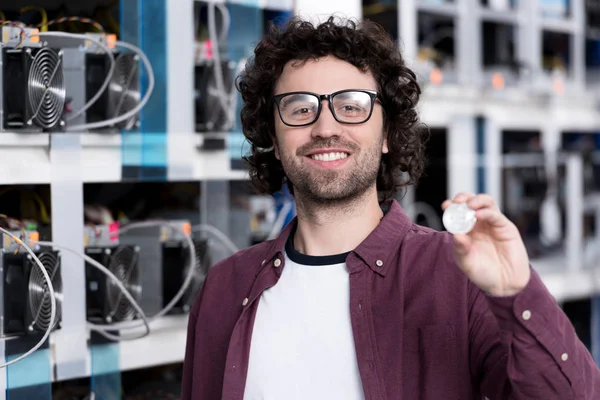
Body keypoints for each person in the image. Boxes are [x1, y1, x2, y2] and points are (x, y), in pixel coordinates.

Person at [181, 16, 600, 400]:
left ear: (387, 133)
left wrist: (516, 295)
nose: (325, 127)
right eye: (300, 108)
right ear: (273, 137)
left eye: (351, 106)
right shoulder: (224, 289)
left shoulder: (457, 277)